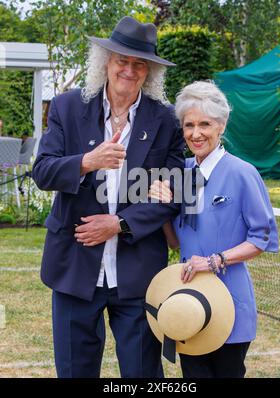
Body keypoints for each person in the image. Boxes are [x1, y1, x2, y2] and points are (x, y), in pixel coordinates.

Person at [32, 16, 184, 378]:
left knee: (143, 374)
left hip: (138, 272)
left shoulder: (165, 120)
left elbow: (174, 191)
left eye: (139, 64)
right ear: (106, 62)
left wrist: (119, 224)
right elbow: (43, 171)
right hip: (73, 268)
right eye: (122, 61)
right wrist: (87, 162)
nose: (129, 70)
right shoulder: (68, 107)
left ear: (149, 73)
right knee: (74, 371)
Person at [149, 80, 279, 378]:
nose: (196, 134)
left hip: (229, 302)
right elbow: (175, 244)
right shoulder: (181, 172)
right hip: (187, 301)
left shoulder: (243, 173)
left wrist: (214, 261)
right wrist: (161, 207)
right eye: (189, 125)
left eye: (205, 124)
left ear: (221, 125)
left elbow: (262, 237)